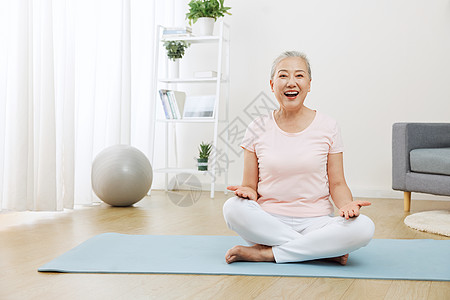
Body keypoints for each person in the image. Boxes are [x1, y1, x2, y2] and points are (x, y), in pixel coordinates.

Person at [223, 51, 375, 265]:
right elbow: (249, 185)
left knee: (364, 227)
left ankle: (266, 253)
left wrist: (347, 206)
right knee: (231, 208)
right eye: (283, 76)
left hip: (317, 223)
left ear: (309, 84)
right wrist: (246, 192)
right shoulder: (256, 127)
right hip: (268, 222)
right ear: (272, 84)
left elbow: (338, 183)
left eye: (299, 76)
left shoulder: (328, 126)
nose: (291, 83)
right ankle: (320, 250)